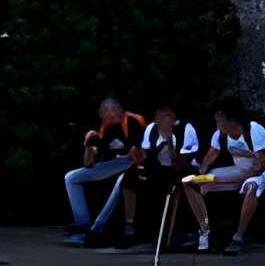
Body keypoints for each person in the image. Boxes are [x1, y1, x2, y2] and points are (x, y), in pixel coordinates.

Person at [181, 96, 265, 255]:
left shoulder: (254, 130)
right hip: (237, 173)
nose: (217, 123)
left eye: (220, 120)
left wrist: (246, 175)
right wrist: (202, 170)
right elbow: (212, 154)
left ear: (231, 121)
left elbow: (262, 164)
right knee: (190, 182)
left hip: (260, 174)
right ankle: (205, 231)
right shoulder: (221, 134)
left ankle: (238, 236)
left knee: (251, 186)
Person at [124, 102, 200, 252]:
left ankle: (172, 235)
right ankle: (130, 225)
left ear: (173, 117)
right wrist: (138, 156)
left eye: (167, 115)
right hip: (158, 169)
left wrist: (170, 146)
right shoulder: (151, 129)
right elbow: (146, 155)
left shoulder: (186, 129)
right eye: (160, 115)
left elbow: (182, 161)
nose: (164, 119)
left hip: (182, 169)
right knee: (129, 177)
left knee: (174, 183)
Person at [64, 96, 136, 246]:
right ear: (101, 114)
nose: (110, 117)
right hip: (110, 165)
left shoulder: (132, 123)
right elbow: (88, 164)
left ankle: (98, 227)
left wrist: (136, 153)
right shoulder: (101, 130)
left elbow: (142, 154)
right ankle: (82, 224)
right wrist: (88, 146)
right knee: (71, 177)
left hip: (131, 163)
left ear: (120, 112)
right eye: (106, 113)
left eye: (113, 112)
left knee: (122, 178)